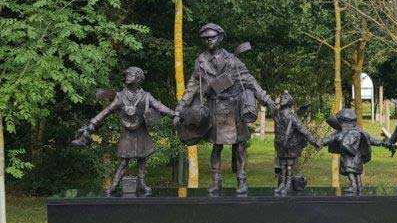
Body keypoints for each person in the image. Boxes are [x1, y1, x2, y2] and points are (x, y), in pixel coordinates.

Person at [174, 23, 276, 196]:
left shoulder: (233, 60)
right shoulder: (200, 61)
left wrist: (268, 101)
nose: (209, 41)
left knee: (239, 146)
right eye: (205, 39)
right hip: (215, 108)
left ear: (220, 38)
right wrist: (179, 109)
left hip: (234, 108)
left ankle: (242, 180)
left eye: (212, 37)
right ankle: (216, 181)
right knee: (216, 147)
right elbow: (191, 87)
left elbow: (250, 82)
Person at [73, 67, 177, 196]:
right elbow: (106, 111)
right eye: (127, 74)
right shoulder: (120, 96)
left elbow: (159, 106)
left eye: (131, 74)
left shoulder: (146, 96)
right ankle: (114, 185)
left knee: (142, 159)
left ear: (138, 78)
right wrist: (92, 124)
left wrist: (174, 114)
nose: (127, 76)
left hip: (141, 133)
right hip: (127, 134)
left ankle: (142, 183)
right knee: (124, 161)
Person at [322, 107, 396, 194]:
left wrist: (319, 142)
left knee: (350, 172)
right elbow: (373, 140)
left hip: (348, 158)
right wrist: (384, 143)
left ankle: (353, 186)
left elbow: (329, 139)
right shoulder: (360, 132)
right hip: (358, 157)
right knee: (356, 173)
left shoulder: (342, 133)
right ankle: (359, 186)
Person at [272, 91, 320, 195]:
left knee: (289, 165)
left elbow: (303, 130)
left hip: (291, 144)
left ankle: (288, 185)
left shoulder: (292, 116)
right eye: (282, 97)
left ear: (289, 102)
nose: (282, 98)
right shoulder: (278, 114)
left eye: (285, 97)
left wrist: (314, 142)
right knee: (283, 164)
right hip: (281, 144)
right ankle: (282, 184)